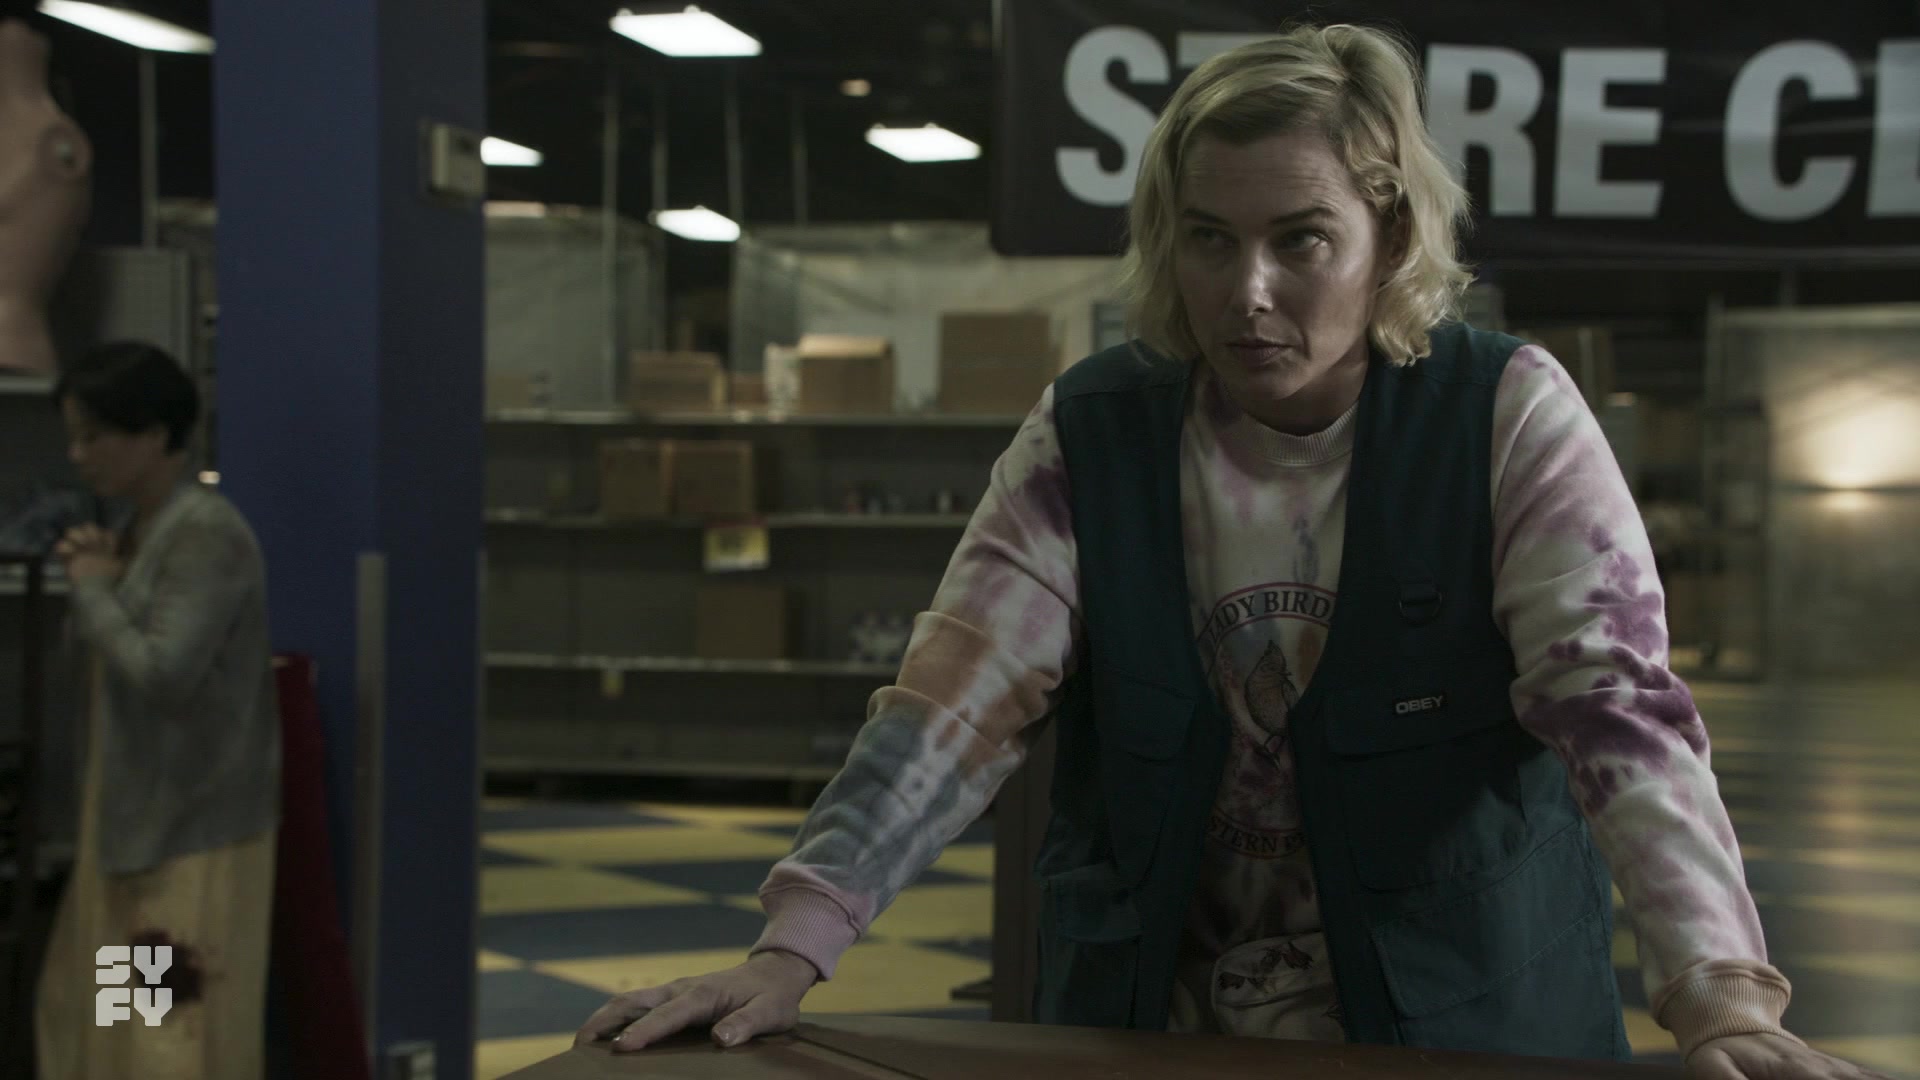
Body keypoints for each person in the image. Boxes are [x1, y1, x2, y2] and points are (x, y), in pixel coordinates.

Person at [578, 25, 1885, 1078]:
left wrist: (1718, 994)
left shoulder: (1505, 415)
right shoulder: (1094, 432)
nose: (1246, 291)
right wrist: (791, 948)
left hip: (1460, 1025)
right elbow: (952, 702)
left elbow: (1619, 710)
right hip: (1153, 1028)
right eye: (1210, 239)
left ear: (1389, 241)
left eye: (1300, 239)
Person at [34, 341, 280, 1079]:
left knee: (166, 1031)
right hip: (134, 829)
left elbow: (165, 674)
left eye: (95, 436)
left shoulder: (204, 533)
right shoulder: (144, 529)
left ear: (152, 433)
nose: (79, 456)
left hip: (186, 835)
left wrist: (91, 588)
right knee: (120, 1026)